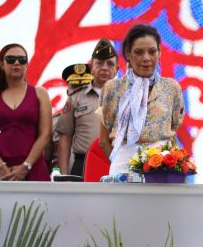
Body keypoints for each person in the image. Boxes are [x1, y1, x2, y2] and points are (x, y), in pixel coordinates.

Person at [99, 24, 184, 174]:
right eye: (138, 52)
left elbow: (173, 130)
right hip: (123, 169)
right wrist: (126, 162)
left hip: (162, 170)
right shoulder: (112, 88)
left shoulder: (172, 88)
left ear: (159, 52)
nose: (146, 58)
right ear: (128, 54)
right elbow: (104, 140)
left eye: (152, 51)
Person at [0, 44, 52, 181]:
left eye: (22, 60)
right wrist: (0, 166)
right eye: (10, 59)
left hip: (33, 171)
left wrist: (26, 166)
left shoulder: (40, 93)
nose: (16, 63)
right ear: (2, 64)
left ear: (27, 65)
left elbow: (46, 134)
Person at [56, 39, 119, 176]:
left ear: (117, 69)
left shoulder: (127, 97)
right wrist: (64, 175)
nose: (104, 67)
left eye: (110, 64)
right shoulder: (75, 98)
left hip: (118, 164)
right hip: (83, 164)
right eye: (99, 63)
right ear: (91, 67)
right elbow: (65, 137)